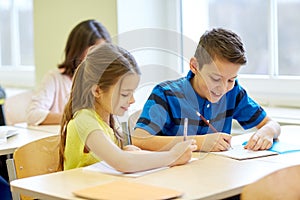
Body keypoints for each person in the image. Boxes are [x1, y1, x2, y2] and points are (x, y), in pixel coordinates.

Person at [132, 28, 281, 152]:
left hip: (215, 175)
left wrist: (267, 132)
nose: (223, 88)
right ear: (194, 66)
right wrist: (199, 142)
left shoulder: (233, 93)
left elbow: (271, 124)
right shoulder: (166, 94)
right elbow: (139, 139)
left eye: (231, 79)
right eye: (216, 79)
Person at [58, 43, 197, 172]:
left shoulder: (108, 120)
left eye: (132, 92)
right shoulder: (84, 120)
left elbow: (115, 157)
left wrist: (125, 149)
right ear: (97, 91)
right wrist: (172, 156)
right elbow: (122, 162)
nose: (132, 100)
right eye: (125, 94)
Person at [26, 19, 111, 125]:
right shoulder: (55, 78)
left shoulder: (105, 82)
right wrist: (75, 119)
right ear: (77, 50)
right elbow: (33, 115)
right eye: (92, 51)